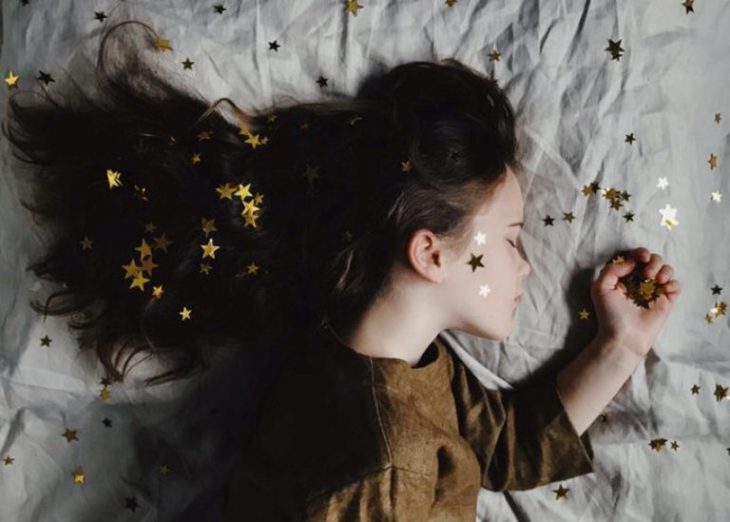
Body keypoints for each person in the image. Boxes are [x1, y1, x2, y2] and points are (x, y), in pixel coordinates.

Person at [2, 18, 681, 522]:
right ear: (430, 252)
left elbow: (504, 447)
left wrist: (620, 344)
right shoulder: (379, 471)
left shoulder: (390, 360)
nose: (526, 268)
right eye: (509, 241)